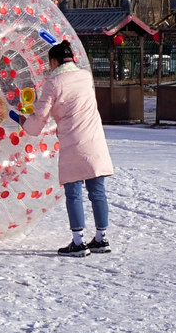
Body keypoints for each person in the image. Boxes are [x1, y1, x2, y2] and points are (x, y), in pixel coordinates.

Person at [19, 41, 116, 255]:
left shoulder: (53, 84)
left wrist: (19, 118)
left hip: (73, 144)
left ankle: (78, 242)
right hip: (95, 140)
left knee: (73, 193)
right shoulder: (85, 77)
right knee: (97, 191)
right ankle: (101, 238)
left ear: (53, 62)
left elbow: (36, 124)